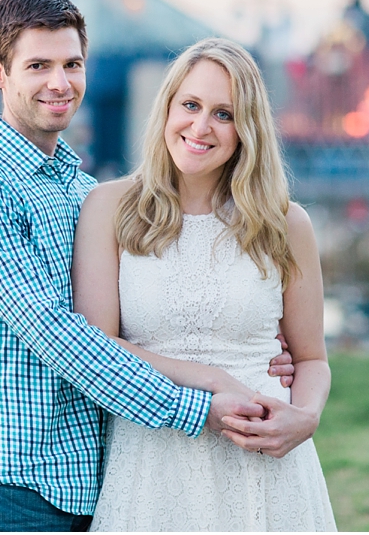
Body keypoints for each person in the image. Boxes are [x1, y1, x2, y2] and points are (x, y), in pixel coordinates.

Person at [0, 0, 296, 532]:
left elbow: (131, 325)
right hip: (16, 492)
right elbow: (61, 337)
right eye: (38, 66)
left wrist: (253, 349)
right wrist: (201, 403)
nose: (60, 83)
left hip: (100, 488)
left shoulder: (84, 193)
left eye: (71, 64)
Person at [72, 37, 337, 530]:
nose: (200, 127)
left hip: (265, 463)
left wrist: (305, 417)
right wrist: (211, 379)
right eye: (190, 105)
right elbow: (97, 348)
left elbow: (311, 359)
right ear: (166, 108)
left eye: (224, 114)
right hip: (153, 462)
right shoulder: (110, 207)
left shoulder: (285, 222)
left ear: (247, 129)